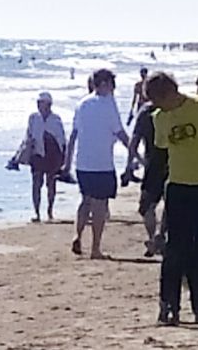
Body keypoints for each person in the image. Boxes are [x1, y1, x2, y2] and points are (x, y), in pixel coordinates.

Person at [146, 72, 198, 326]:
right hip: (179, 188)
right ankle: (168, 307)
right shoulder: (159, 118)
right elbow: (158, 159)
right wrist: (149, 192)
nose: (157, 107)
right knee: (174, 250)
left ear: (170, 93)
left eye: (159, 100)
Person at [64, 69, 130, 259]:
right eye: (111, 84)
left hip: (82, 163)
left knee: (85, 200)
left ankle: (77, 235)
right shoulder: (108, 104)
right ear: (104, 84)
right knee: (100, 205)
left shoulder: (82, 104)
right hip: (102, 164)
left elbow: (74, 135)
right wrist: (135, 153)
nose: (113, 89)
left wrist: (67, 163)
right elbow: (120, 132)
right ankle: (95, 248)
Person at [128, 98, 167, 257]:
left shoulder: (145, 113)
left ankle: (153, 237)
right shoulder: (171, 109)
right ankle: (160, 235)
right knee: (170, 204)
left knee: (146, 206)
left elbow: (133, 143)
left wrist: (135, 162)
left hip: (153, 164)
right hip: (174, 162)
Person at [26, 92, 66, 223]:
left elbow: (62, 140)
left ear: (49, 105)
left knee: (51, 184)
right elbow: (28, 136)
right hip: (37, 154)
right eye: (38, 103)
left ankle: (50, 210)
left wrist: (63, 160)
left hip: (52, 155)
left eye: (41, 103)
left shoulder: (56, 119)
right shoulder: (33, 118)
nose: (39, 105)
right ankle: (36, 212)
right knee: (36, 184)